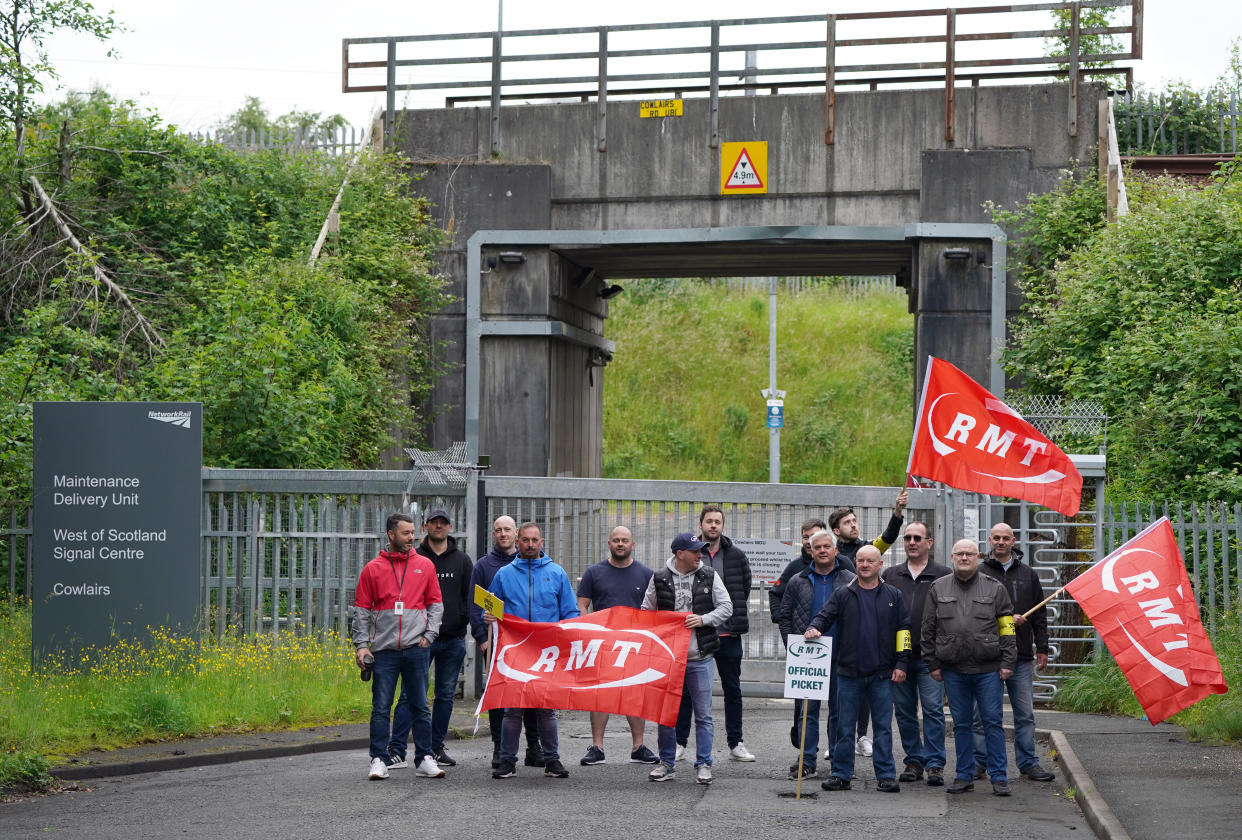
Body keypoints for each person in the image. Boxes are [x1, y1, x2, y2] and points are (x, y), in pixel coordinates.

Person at [805, 545, 910, 793]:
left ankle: (885, 775)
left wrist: (902, 663)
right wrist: (814, 627)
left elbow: (904, 630)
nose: (864, 565)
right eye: (860, 561)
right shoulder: (843, 594)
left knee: (883, 728)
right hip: (849, 674)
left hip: (882, 675)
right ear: (855, 563)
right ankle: (841, 774)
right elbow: (824, 615)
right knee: (844, 725)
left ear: (879, 564)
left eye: (869, 561)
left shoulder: (893, 595)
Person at [351, 513, 445, 781]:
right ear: (391, 535)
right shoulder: (372, 569)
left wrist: (430, 634)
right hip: (384, 651)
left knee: (420, 706)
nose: (411, 537)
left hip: (417, 647)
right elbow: (361, 611)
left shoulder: (425, 565)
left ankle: (425, 758)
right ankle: (379, 759)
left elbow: (435, 604)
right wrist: (361, 646)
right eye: (405, 533)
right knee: (381, 707)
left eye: (413, 532)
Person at [921, 538, 1017, 796]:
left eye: (969, 554)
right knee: (961, 725)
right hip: (953, 670)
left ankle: (999, 777)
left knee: (993, 723)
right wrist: (932, 662)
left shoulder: (995, 588)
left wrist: (1008, 661)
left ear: (979, 557)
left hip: (988, 669)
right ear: (952, 557)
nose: (964, 558)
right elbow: (927, 628)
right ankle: (964, 776)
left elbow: (1007, 628)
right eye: (960, 554)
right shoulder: (937, 588)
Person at [485, 522, 579, 780]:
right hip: (514, 650)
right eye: (525, 540)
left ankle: (552, 760)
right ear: (517, 542)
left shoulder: (557, 573)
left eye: (534, 540)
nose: (529, 544)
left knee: (545, 709)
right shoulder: (504, 574)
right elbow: (492, 607)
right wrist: (488, 617)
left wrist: (567, 639)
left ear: (542, 542)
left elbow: (570, 612)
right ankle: (507, 761)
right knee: (513, 708)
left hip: (546, 652)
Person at [642, 533, 733, 785]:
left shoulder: (709, 575)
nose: (700, 554)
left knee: (703, 715)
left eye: (701, 550)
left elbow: (727, 607)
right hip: (669, 659)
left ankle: (704, 763)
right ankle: (667, 763)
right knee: (665, 714)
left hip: (700, 657)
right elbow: (645, 612)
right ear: (680, 553)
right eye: (695, 551)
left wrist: (703, 619)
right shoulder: (659, 577)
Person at [387, 508, 473, 768]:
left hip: (453, 639)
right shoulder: (414, 557)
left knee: (446, 696)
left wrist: (463, 620)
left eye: (443, 523)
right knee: (410, 694)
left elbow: (469, 597)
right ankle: (397, 749)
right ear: (425, 526)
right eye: (434, 523)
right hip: (420, 640)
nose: (438, 526)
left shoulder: (462, 560)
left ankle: (435, 747)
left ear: (450, 527)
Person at [972, 522, 1056, 783]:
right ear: (989, 540)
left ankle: (1028, 763)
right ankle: (978, 763)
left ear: (1013, 541)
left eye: (1005, 538)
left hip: (1020, 655)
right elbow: (971, 612)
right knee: (981, 714)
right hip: (988, 656)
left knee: (1025, 714)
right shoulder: (978, 572)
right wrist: (1006, 620)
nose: (1000, 542)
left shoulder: (1028, 574)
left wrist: (1042, 647)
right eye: (996, 537)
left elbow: (1040, 614)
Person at [829, 488, 908, 758]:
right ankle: (839, 741)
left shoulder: (869, 548)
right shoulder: (832, 554)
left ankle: (862, 735)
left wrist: (897, 513)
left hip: (870, 630)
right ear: (836, 531)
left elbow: (888, 537)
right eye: (847, 522)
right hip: (840, 627)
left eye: (854, 520)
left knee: (865, 689)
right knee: (841, 693)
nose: (853, 525)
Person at [675, 504, 753, 762]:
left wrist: (726, 617)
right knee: (686, 692)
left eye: (717, 521)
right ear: (701, 525)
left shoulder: (736, 556)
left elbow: (744, 587)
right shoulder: (692, 555)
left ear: (722, 526)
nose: (713, 526)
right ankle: (679, 742)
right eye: (708, 521)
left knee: (733, 689)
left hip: (728, 635)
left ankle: (736, 742)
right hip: (696, 636)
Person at [775, 528, 855, 779]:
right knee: (806, 712)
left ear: (835, 550)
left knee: (839, 711)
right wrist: (793, 646)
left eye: (826, 547)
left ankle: (839, 762)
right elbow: (784, 615)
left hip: (841, 655)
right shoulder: (798, 580)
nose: (821, 551)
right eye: (816, 547)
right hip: (808, 656)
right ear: (810, 550)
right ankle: (807, 760)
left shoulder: (850, 579)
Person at [576, 525, 658, 766]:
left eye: (625, 540)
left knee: (634, 693)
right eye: (616, 540)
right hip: (602, 645)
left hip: (635, 645)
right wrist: (587, 628)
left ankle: (638, 746)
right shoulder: (594, 573)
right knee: (601, 695)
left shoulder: (646, 574)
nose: (620, 544)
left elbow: (655, 608)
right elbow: (582, 605)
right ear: (609, 544)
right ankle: (597, 747)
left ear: (633, 545)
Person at [468, 515, 544, 769]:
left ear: (516, 534)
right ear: (493, 534)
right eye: (498, 530)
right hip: (498, 644)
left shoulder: (535, 563)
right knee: (499, 696)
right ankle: (500, 748)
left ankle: (534, 746)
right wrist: (482, 638)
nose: (503, 534)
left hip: (532, 645)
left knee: (532, 696)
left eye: (507, 530)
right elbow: (476, 604)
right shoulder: (484, 566)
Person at [881, 519, 951, 787]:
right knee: (905, 712)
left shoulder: (943, 575)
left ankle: (935, 764)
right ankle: (914, 760)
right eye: (908, 537)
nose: (911, 542)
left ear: (929, 543)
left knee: (933, 710)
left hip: (929, 658)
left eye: (917, 538)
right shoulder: (891, 574)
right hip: (899, 658)